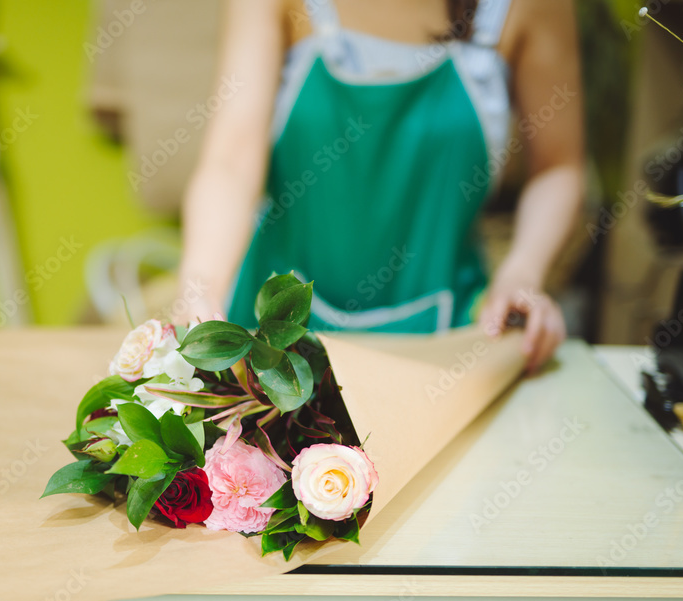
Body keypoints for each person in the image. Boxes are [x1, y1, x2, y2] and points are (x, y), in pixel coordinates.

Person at [176, 0, 585, 373]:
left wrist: (522, 273)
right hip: (267, 341)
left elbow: (558, 165)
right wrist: (200, 284)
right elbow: (230, 159)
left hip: (447, 343)